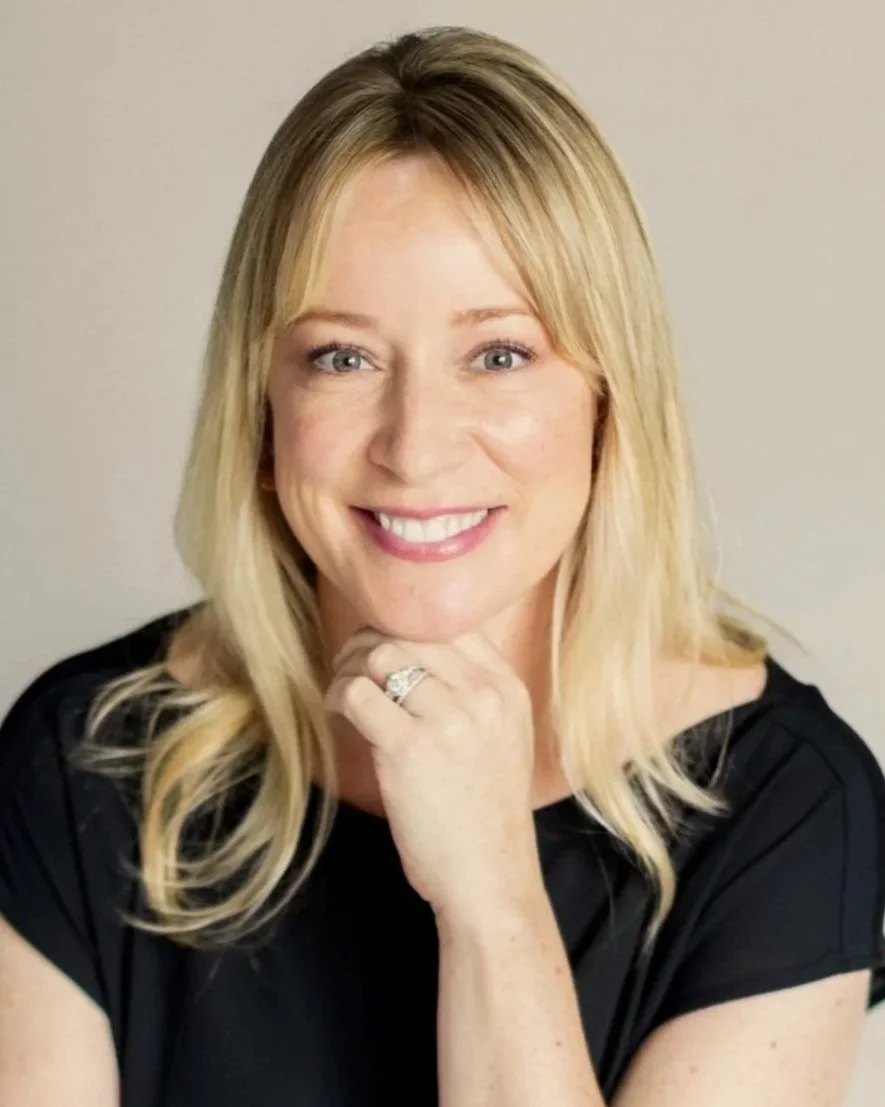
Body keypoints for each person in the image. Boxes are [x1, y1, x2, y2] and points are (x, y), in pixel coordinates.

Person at [1, 24, 883, 1107]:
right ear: (262, 408)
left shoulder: (789, 810)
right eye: (342, 356)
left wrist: (494, 904)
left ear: (609, 402)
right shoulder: (83, 757)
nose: (415, 444)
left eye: (499, 354)